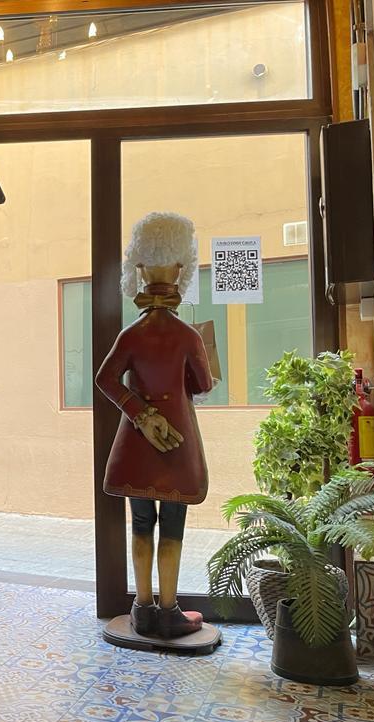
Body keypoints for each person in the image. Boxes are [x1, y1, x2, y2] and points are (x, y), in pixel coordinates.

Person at [95, 212, 214, 639]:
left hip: (135, 444)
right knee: (173, 526)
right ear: (181, 268)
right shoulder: (189, 336)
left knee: (140, 523)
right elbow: (203, 385)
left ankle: (141, 607)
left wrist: (140, 413)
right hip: (177, 444)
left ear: (139, 269)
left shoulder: (131, 334)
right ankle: (168, 610)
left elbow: (105, 379)